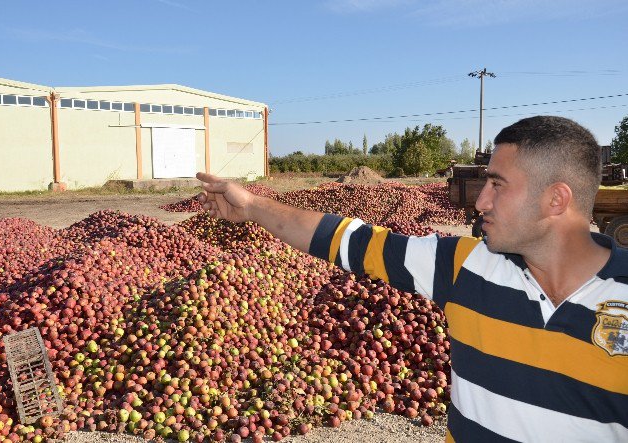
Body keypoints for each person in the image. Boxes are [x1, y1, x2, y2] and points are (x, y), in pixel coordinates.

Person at [196, 116, 628, 442]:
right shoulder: (463, 266)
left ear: (556, 199)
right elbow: (347, 240)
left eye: (497, 184)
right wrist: (251, 205)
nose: (480, 200)